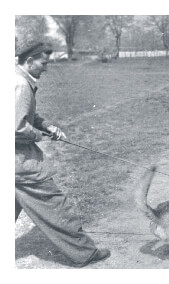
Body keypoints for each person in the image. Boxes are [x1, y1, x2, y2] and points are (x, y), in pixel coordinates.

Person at [15, 40, 111, 267]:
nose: (46, 68)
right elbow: (16, 127)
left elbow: (26, 115)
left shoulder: (12, 78)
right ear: (29, 61)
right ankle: (84, 253)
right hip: (19, 161)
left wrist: (47, 125)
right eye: (43, 63)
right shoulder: (20, 84)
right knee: (56, 204)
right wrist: (40, 136)